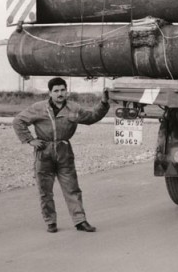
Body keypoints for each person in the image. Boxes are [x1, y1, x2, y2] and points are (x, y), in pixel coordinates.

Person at [12, 77, 110, 233]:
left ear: (67, 91)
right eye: (56, 91)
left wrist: (103, 103)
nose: (60, 94)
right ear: (50, 93)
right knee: (45, 190)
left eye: (63, 90)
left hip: (64, 152)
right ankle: (50, 222)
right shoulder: (39, 108)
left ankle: (80, 221)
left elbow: (92, 117)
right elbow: (18, 121)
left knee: (72, 188)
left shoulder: (74, 108)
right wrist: (29, 140)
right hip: (44, 152)